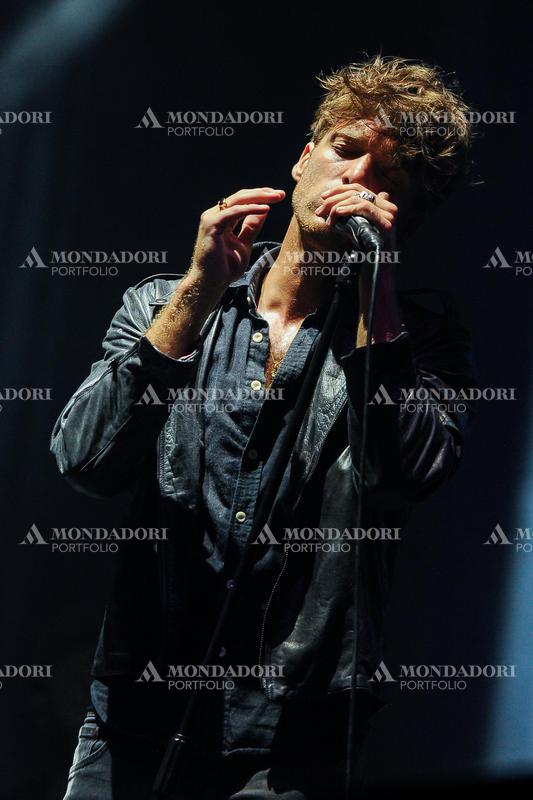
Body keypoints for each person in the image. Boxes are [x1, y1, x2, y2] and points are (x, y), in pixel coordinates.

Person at [52, 55, 477, 799]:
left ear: (404, 213)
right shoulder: (165, 304)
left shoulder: (422, 340)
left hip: (293, 739)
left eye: (387, 177)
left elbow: (403, 478)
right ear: (304, 156)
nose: (353, 180)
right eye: (345, 150)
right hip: (135, 718)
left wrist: (376, 306)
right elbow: (86, 463)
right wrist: (192, 295)